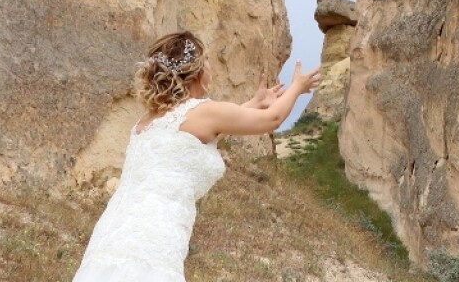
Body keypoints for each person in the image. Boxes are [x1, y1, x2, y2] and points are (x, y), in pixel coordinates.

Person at [72, 31, 321, 282]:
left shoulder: (148, 121)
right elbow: (272, 119)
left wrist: (253, 104)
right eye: (207, 59)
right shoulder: (202, 113)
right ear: (196, 71)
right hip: (153, 237)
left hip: (111, 235)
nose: (211, 66)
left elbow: (211, 129)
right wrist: (297, 87)